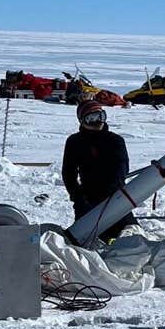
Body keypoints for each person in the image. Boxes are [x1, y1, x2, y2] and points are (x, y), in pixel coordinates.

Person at [62, 99, 134, 240]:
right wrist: (79, 198)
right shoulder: (75, 142)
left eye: (101, 116)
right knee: (83, 240)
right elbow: (68, 173)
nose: (98, 121)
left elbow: (121, 169)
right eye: (92, 118)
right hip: (88, 199)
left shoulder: (115, 140)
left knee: (129, 237)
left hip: (116, 198)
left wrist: (114, 195)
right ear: (82, 120)